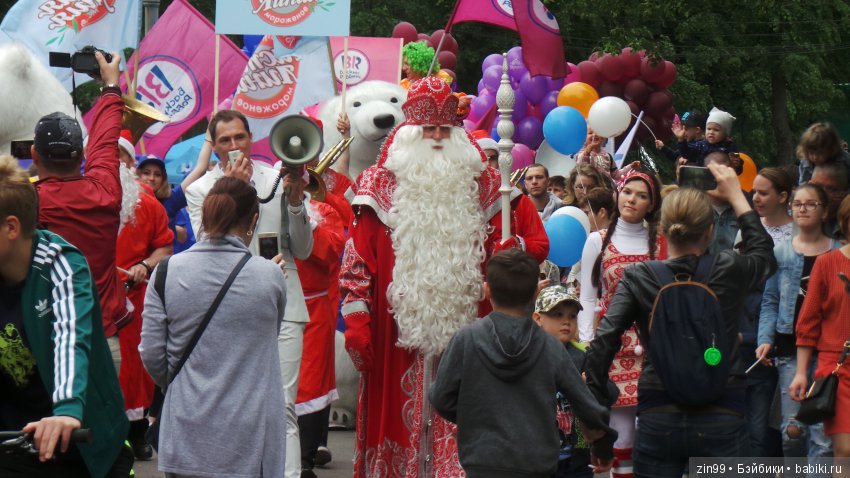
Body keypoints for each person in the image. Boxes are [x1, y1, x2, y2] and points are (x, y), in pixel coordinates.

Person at [339, 76, 520, 477]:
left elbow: (518, 249)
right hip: (394, 333)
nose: (437, 137)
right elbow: (356, 260)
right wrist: (356, 319)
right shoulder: (377, 184)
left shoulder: (487, 184)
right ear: (410, 131)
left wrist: (512, 257)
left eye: (444, 129)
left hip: (470, 331)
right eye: (428, 130)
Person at [585, 165, 778, 477]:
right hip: (723, 410)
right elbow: (765, 256)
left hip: (658, 411)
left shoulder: (639, 277)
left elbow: (602, 343)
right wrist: (737, 198)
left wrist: (596, 425)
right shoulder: (728, 268)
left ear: (661, 228)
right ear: (710, 232)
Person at [185, 110, 314, 478]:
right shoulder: (199, 190)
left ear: (250, 137)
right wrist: (229, 192)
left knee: (284, 404)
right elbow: (204, 248)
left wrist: (295, 201)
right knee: (236, 403)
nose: (234, 146)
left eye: (239, 137)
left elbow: (302, 250)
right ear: (214, 145)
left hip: (284, 301)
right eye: (224, 140)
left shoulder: (276, 177)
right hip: (230, 306)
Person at [140, 177, 287, 478]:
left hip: (185, 428)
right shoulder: (270, 276)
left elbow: (152, 354)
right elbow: (269, 336)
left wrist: (180, 384)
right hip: (250, 435)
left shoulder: (166, 272)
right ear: (253, 220)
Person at [0, 155, 132, 477]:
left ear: (11, 227)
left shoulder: (60, 264)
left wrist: (68, 409)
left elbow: (70, 337)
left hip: (82, 443)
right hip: (13, 444)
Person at [429, 252, 616, 478]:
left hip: (483, 461)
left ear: (489, 292)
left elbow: (441, 396)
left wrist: (478, 418)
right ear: (533, 294)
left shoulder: (467, 339)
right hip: (536, 462)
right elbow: (585, 402)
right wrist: (602, 445)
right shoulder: (549, 347)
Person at [32, 51, 128, 371]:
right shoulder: (104, 191)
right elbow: (104, 143)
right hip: (102, 343)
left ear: (34, 153)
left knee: (47, 423)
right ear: (80, 155)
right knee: (104, 424)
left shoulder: (28, 203)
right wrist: (110, 87)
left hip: (47, 344)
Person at [577, 169, 664, 478]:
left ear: (651, 205)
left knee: (652, 431)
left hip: (654, 347)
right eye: (628, 192)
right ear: (618, 194)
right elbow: (588, 298)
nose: (633, 200)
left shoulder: (662, 243)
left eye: (642, 196)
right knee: (620, 432)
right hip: (613, 344)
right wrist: (589, 344)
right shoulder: (597, 241)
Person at [756, 184, 836, 466]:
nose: (802, 208)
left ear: (825, 211)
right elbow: (770, 301)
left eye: (810, 204)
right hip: (789, 350)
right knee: (792, 431)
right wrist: (764, 339)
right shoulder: (781, 252)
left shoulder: (839, 252)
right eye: (797, 203)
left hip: (831, 353)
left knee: (823, 438)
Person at [533, 285, 619, 478]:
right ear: (538, 318)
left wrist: (592, 386)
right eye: (557, 314)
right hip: (538, 457)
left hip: (578, 453)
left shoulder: (584, 356)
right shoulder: (530, 357)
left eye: (572, 316)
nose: (566, 321)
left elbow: (611, 394)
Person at [789, 195, 850, 459]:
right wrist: (801, 372)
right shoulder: (827, 263)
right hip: (837, 366)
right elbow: (808, 322)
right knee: (844, 450)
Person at [294, 198, 346, 477]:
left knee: (312, 381)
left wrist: (303, 217)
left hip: (314, 307)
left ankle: (305, 456)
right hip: (278, 301)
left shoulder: (324, 211)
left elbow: (330, 250)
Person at [673, 107, 739, 167]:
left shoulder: (730, 147)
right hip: (702, 178)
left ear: (725, 133)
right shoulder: (701, 144)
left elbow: (739, 170)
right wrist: (681, 139)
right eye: (709, 129)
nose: (711, 132)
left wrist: (736, 164)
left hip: (721, 178)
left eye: (716, 130)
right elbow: (686, 154)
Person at [808, 161, 849, 240]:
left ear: (844, 192)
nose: (822, 194)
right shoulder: (799, 217)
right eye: (818, 186)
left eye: (831, 189)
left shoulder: (846, 227)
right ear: (809, 185)